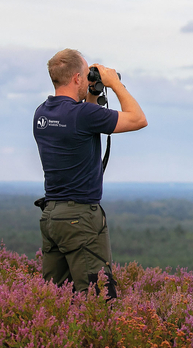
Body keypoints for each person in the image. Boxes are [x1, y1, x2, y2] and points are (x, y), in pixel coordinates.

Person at [33, 48, 147, 299]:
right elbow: (138, 119)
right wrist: (114, 83)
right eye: (85, 75)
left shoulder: (42, 113)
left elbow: (82, 121)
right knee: (99, 298)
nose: (88, 79)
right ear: (76, 78)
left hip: (52, 217)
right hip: (80, 218)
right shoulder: (83, 115)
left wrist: (92, 92)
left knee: (56, 299)